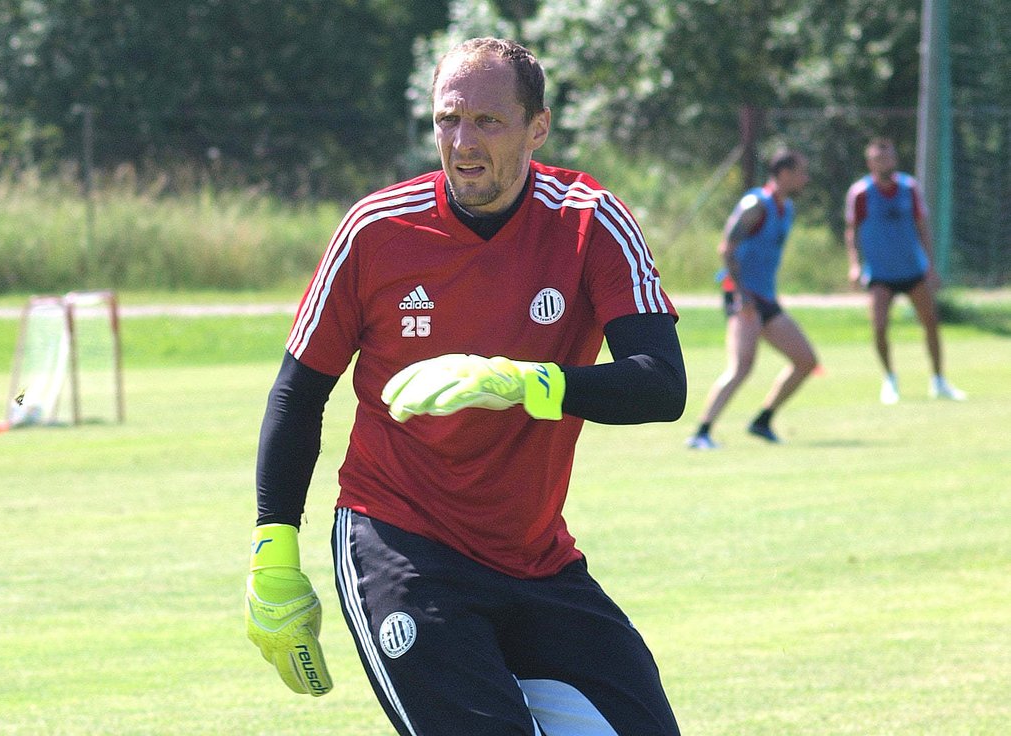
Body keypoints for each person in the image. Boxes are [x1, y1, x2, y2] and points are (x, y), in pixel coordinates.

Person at [244, 37, 687, 736]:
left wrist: (524, 382)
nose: (462, 141)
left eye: (487, 121)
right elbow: (299, 394)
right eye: (448, 120)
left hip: (537, 559)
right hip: (402, 543)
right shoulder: (375, 230)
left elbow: (662, 385)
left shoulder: (589, 220)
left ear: (537, 127)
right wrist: (274, 552)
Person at [686, 150, 818, 450]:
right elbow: (726, 249)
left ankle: (763, 420)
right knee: (741, 366)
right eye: (801, 171)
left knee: (806, 361)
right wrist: (742, 295)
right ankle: (701, 432)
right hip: (743, 295)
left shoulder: (788, 208)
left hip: (765, 298)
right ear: (784, 172)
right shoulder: (756, 204)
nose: (806, 178)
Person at [844, 137, 966, 404]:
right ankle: (890, 379)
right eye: (878, 159)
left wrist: (931, 266)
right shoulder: (861, 193)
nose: (883, 163)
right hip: (879, 272)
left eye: (887, 157)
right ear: (869, 163)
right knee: (878, 327)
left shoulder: (909, 188)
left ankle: (938, 380)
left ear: (895, 160)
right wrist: (855, 265)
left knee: (931, 322)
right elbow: (852, 232)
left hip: (912, 269)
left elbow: (923, 226)